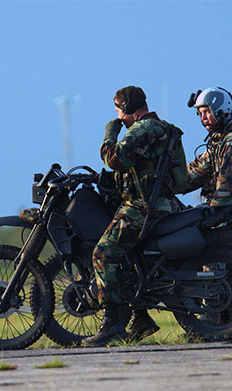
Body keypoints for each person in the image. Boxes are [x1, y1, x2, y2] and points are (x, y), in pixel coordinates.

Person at [82, 86, 187, 347]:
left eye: (118, 110)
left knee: (103, 255)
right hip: (166, 204)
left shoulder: (142, 130)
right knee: (129, 260)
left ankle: (112, 326)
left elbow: (115, 159)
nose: (117, 115)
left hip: (143, 207)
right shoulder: (164, 128)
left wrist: (110, 133)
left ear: (127, 109)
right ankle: (140, 318)